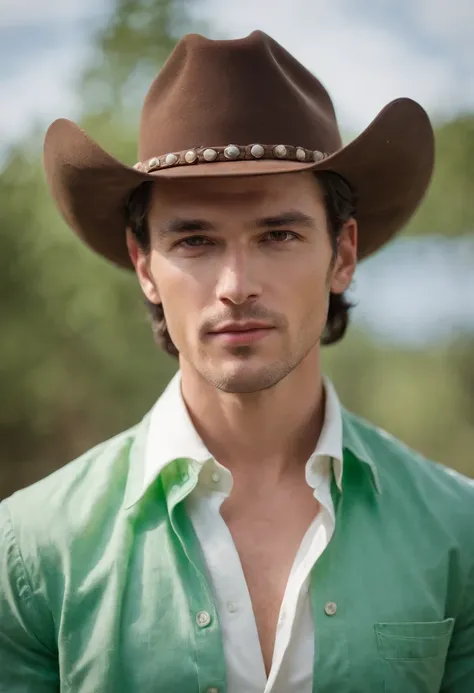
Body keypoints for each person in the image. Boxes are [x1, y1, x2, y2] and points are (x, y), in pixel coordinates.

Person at [0, 30, 472, 693]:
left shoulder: (459, 535)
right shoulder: (32, 551)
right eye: (194, 239)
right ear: (144, 264)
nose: (235, 283)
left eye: (278, 234)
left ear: (342, 255)